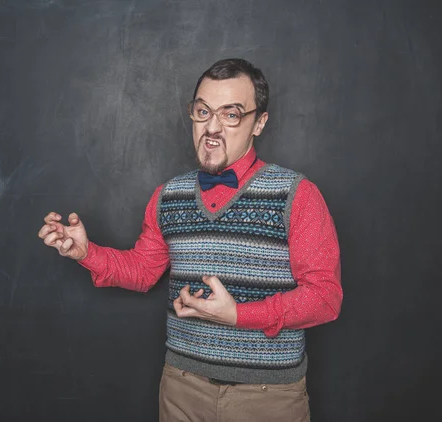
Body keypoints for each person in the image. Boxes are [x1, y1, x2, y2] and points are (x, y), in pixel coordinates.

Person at [38, 58, 342, 422]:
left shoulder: (298, 195)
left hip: (267, 397)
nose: (211, 127)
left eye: (231, 114)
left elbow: (325, 297)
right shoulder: (168, 196)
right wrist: (86, 253)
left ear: (259, 122)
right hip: (181, 389)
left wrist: (240, 315)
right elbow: (142, 271)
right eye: (202, 111)